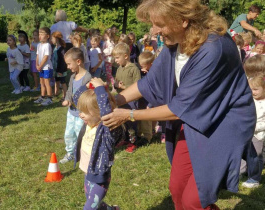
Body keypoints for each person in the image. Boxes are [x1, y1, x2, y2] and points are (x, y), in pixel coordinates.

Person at [101, 0, 257, 209]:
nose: (154, 30)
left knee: (195, 199)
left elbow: (178, 109)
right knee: (177, 187)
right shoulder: (175, 43)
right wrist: (117, 100)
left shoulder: (212, 48)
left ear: (182, 20)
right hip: (194, 119)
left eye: (159, 24)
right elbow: (150, 82)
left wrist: (128, 116)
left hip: (223, 125)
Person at [73, 78, 122, 210]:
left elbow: (106, 111)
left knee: (90, 208)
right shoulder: (90, 124)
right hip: (88, 174)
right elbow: (77, 96)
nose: (80, 114)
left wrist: (101, 90)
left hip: (99, 179)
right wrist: (90, 83)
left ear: (99, 113)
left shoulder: (106, 129)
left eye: (85, 112)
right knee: (96, 204)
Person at [59, 48, 92, 164]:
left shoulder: (88, 78)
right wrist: (67, 99)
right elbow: (69, 91)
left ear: (78, 62)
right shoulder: (73, 77)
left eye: (69, 64)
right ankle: (70, 153)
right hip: (71, 112)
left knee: (80, 135)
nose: (68, 67)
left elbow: (89, 96)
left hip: (81, 114)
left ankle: (82, 154)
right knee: (68, 134)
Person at [113, 43, 141, 153]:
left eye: (117, 58)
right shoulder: (120, 68)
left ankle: (132, 142)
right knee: (122, 122)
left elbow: (138, 86)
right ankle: (124, 139)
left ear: (125, 56)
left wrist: (123, 86)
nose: (115, 60)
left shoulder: (134, 69)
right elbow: (116, 81)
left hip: (132, 101)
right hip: (121, 99)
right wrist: (115, 85)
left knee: (131, 123)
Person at [240, 74, 265, 188]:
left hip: (258, 134)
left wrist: (254, 127)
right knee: (243, 153)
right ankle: (241, 171)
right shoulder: (250, 100)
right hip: (246, 132)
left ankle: (254, 178)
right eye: (250, 89)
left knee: (256, 156)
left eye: (255, 89)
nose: (252, 92)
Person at [34, 27, 54, 106]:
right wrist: (37, 65)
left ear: (47, 36)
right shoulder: (39, 45)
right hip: (40, 67)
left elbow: (46, 57)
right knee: (41, 82)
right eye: (39, 34)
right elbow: (38, 56)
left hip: (47, 67)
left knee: (47, 82)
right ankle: (42, 96)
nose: (40, 36)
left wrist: (41, 65)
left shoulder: (47, 45)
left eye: (42, 34)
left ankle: (49, 98)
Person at [51, 31, 68, 101]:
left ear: (56, 39)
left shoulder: (61, 49)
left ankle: (65, 96)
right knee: (56, 81)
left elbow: (63, 61)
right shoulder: (55, 48)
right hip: (55, 68)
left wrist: (60, 70)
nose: (51, 40)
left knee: (63, 82)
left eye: (52, 38)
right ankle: (56, 93)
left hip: (61, 69)